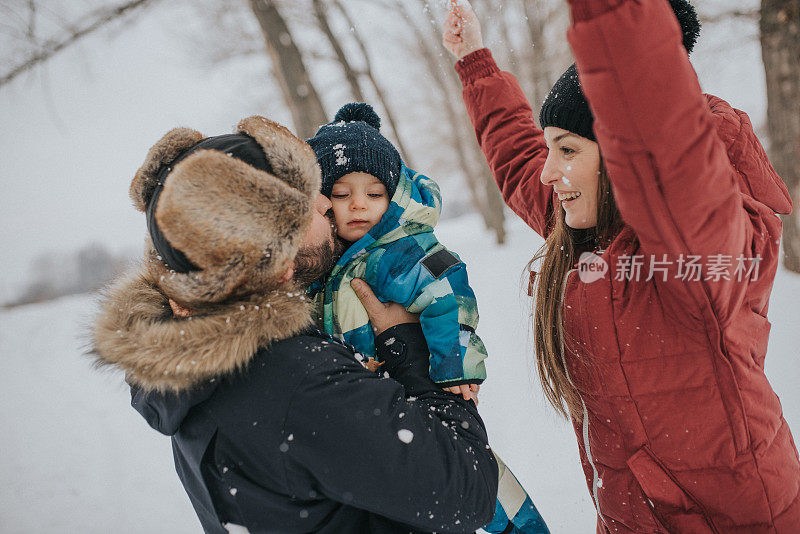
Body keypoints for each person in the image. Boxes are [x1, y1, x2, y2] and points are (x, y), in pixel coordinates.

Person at [443, 0, 800, 532]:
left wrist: (620, 23)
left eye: (567, 150)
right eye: (550, 150)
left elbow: (665, 153)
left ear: (621, 155)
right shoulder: (588, 237)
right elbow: (519, 160)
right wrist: (475, 61)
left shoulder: (695, 256)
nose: (547, 172)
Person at [91, 116, 500, 533]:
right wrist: (406, 346)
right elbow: (471, 490)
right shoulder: (300, 383)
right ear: (278, 262)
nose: (327, 203)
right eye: (307, 202)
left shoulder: (190, 370)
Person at [305, 102, 548, 533]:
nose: (359, 205)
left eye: (374, 194)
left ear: (394, 195)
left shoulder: (401, 248)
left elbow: (448, 297)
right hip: (371, 393)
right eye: (342, 194)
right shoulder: (325, 261)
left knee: (468, 475)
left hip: (425, 384)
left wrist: (455, 365)